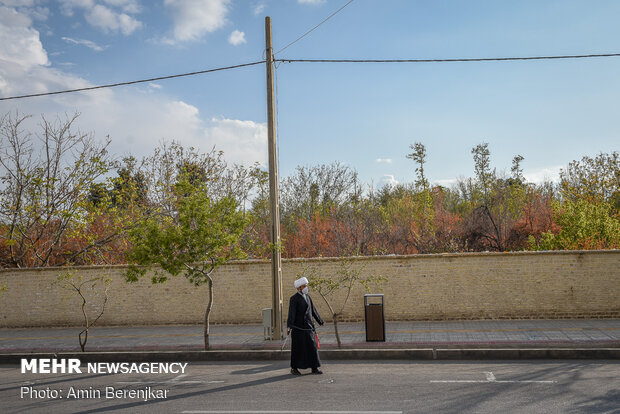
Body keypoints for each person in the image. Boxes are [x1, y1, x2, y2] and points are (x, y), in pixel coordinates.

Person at [286, 276, 324, 375]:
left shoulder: (308, 297)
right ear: (299, 288)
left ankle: (314, 368)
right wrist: (289, 325)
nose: (306, 287)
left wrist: (320, 321)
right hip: (298, 328)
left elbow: (313, 310)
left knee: (312, 347)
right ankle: (294, 368)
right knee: (298, 349)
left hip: (309, 327)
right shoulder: (294, 299)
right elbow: (292, 313)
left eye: (306, 286)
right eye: (304, 286)